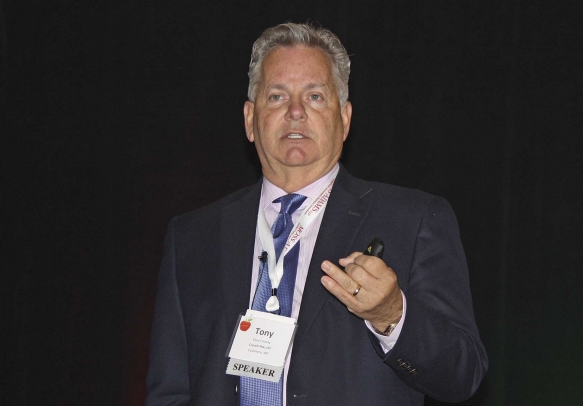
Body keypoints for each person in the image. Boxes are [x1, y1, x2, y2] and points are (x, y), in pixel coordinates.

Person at [145, 22, 488, 406]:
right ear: (249, 120)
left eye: (314, 97)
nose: (295, 112)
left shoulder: (414, 220)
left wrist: (392, 314)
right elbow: (170, 391)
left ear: (344, 119)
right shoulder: (192, 236)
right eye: (276, 96)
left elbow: (463, 374)